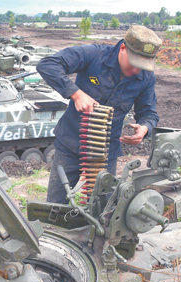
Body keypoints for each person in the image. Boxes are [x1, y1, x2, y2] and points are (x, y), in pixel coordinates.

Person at [37, 25, 161, 204]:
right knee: (56, 204)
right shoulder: (94, 55)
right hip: (70, 144)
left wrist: (144, 128)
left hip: (105, 151)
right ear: (123, 49)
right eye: (134, 64)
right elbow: (47, 64)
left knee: (103, 208)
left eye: (142, 67)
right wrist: (76, 93)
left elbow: (149, 112)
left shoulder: (146, 78)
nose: (136, 71)